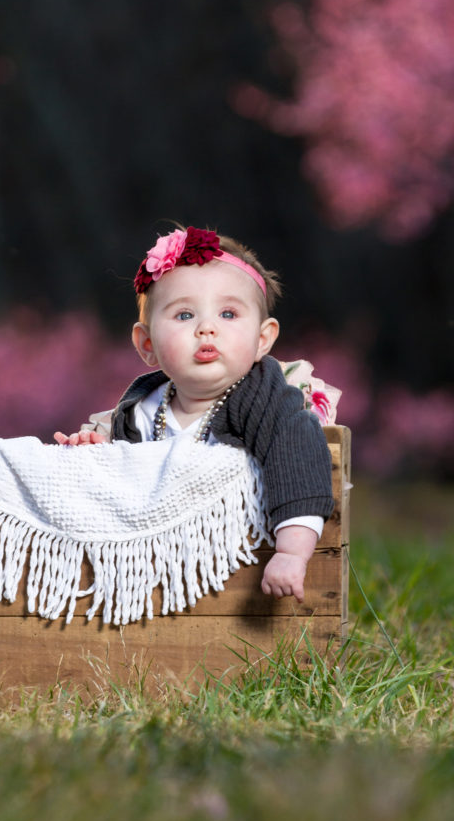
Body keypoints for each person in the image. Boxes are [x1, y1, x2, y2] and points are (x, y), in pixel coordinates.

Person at [55, 225, 334, 604]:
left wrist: (291, 552)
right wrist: (95, 451)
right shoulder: (139, 408)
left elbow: (297, 456)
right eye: (184, 315)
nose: (207, 328)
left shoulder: (268, 402)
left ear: (262, 339)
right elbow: (120, 478)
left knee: (297, 436)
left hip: (236, 570)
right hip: (150, 571)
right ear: (147, 344)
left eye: (229, 313)